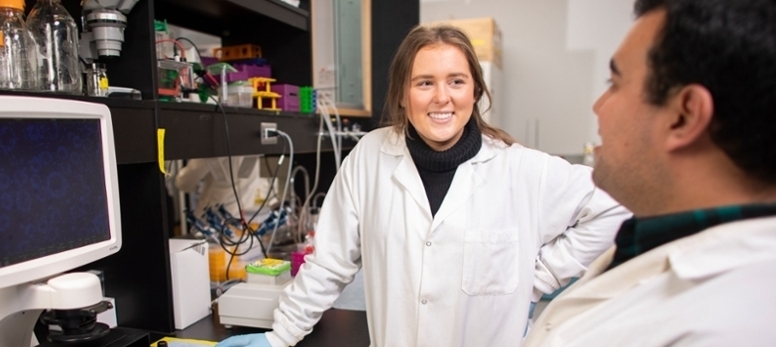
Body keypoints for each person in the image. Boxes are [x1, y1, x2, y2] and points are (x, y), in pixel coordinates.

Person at [216, 25, 629, 347]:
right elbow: (330, 264)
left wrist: (537, 278)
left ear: (475, 91)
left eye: (456, 81)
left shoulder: (522, 171)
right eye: (424, 82)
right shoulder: (369, 158)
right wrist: (280, 335)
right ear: (402, 94)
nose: (441, 98)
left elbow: (615, 205)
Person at [523, 0, 776, 345]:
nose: (597, 107)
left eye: (614, 83)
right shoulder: (655, 241)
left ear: (684, 116)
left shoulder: (728, 327)